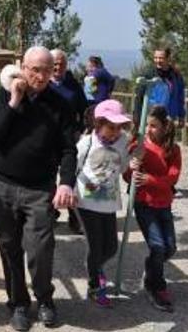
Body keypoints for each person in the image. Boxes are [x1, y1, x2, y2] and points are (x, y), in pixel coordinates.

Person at [0, 46, 78, 331]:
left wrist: (66, 182)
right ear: (23, 68)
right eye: (34, 70)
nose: (39, 76)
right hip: (2, 185)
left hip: (39, 189)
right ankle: (19, 304)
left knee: (40, 250)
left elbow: (68, 149)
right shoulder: (3, 94)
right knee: (9, 248)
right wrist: (14, 102)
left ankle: (45, 298)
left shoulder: (61, 104)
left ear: (54, 71)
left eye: (46, 70)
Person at [75, 99, 133, 307]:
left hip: (108, 203)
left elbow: (124, 165)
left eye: (119, 127)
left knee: (110, 247)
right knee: (96, 246)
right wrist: (68, 190)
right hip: (85, 202)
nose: (116, 131)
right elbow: (72, 168)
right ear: (98, 124)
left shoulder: (123, 141)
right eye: (111, 127)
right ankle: (95, 285)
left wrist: (136, 157)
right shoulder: (86, 143)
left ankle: (94, 267)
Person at [125, 105, 181, 312]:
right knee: (157, 246)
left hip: (164, 204)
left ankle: (151, 271)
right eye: (146, 125)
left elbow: (173, 178)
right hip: (144, 204)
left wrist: (150, 179)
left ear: (165, 127)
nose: (148, 130)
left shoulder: (173, 150)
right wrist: (131, 168)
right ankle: (156, 286)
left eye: (153, 126)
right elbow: (127, 177)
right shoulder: (138, 147)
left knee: (170, 248)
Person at [49, 49, 89, 234]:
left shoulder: (73, 85)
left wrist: (83, 130)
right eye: (55, 63)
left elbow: (84, 109)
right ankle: (49, 213)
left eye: (61, 63)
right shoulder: (42, 84)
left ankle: (75, 218)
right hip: (47, 138)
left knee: (72, 177)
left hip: (70, 137)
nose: (58, 67)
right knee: (47, 177)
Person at [133, 46, 187, 128]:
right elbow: (139, 97)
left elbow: (180, 97)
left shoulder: (175, 76)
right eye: (156, 58)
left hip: (169, 118)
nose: (158, 61)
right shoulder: (148, 75)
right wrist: (137, 118)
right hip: (151, 118)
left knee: (167, 140)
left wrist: (181, 116)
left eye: (161, 58)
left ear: (168, 58)